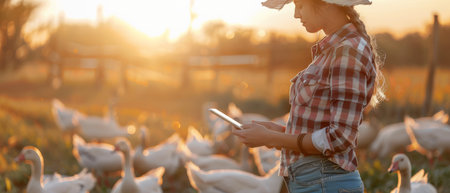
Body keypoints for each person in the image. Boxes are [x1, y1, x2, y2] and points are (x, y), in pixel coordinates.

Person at [232, 0, 385, 192]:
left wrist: (271, 138)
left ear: (327, 3)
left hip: (325, 182)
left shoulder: (347, 51)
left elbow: (339, 137)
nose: (296, 14)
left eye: (300, 5)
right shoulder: (333, 50)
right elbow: (319, 128)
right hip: (317, 181)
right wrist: (277, 131)